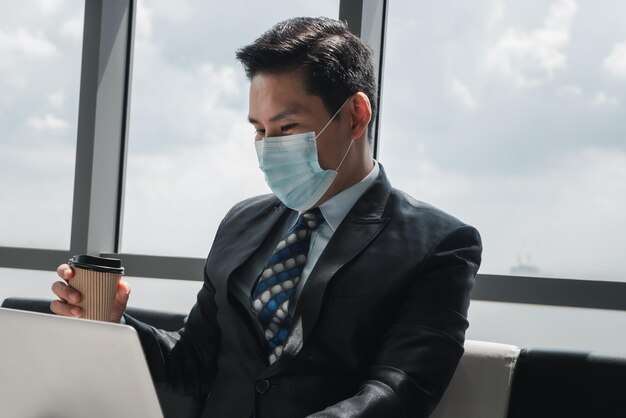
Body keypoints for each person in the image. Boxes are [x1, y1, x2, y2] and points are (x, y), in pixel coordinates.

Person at [51, 17, 482, 418]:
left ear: (355, 115)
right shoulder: (243, 222)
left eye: (287, 127)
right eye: (259, 130)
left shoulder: (440, 244)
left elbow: (400, 390)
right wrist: (115, 324)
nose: (268, 147)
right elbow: (194, 363)